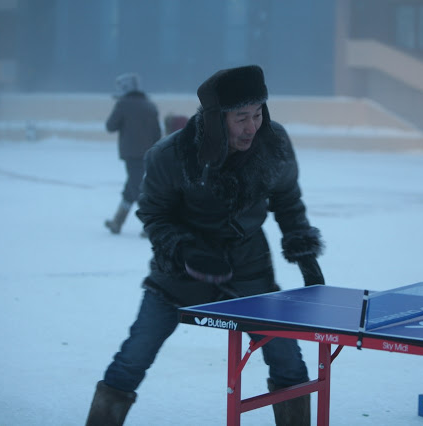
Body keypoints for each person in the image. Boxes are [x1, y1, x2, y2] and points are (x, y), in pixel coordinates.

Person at [85, 65, 325, 426]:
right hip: (179, 276)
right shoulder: (172, 155)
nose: (251, 126)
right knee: (134, 356)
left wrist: (305, 255)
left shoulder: (272, 143)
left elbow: (287, 200)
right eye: (240, 117)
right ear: (216, 118)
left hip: (249, 269)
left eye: (257, 114)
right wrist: (186, 251)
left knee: (287, 359)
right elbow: (153, 214)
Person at [104, 72, 162, 235]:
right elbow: (157, 133)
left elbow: (110, 126)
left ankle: (151, 226)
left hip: (131, 154)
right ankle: (117, 222)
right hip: (149, 154)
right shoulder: (150, 105)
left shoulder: (123, 104)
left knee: (136, 189)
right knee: (132, 187)